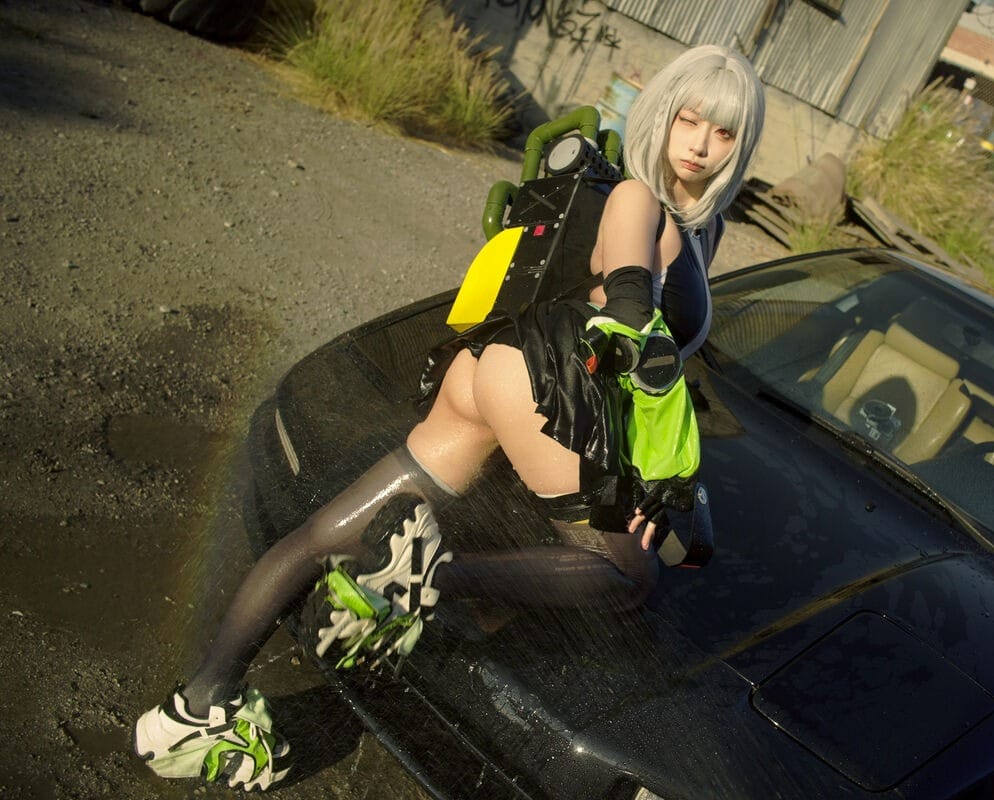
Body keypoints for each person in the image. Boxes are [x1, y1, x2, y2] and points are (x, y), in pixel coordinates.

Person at [132, 43, 765, 791]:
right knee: (623, 575)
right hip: (540, 381)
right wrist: (664, 478)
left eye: (722, 131)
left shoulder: (702, 226)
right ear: (660, 115)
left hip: (493, 369)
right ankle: (427, 574)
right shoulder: (639, 200)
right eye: (687, 119)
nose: (699, 143)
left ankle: (196, 707)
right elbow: (632, 322)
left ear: (741, 145)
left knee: (327, 532)